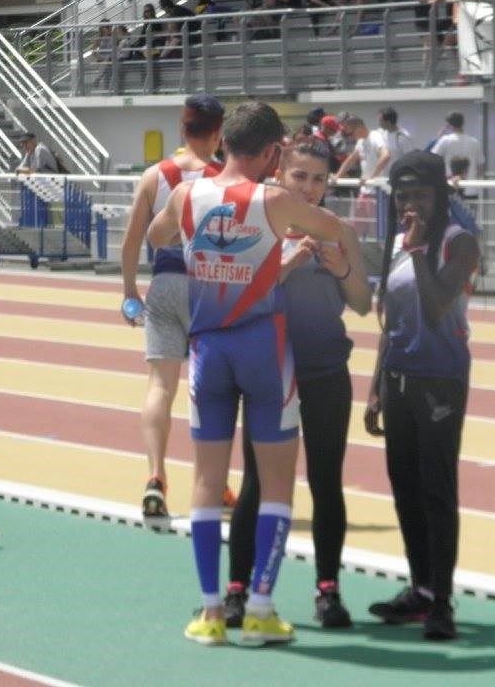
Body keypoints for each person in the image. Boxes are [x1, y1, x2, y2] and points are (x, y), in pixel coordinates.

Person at [147, 101, 343, 647]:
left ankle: (211, 612)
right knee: (277, 481)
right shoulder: (275, 201)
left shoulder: (187, 194)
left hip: (208, 351)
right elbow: (334, 229)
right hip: (264, 349)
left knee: (206, 482)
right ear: (271, 152)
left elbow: (158, 236)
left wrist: (198, 235)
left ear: (224, 143)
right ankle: (259, 608)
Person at [226, 139, 372, 630]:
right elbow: (239, 299)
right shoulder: (259, 227)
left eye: (318, 179)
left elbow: (362, 303)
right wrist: (287, 264)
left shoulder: (339, 230)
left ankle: (327, 589)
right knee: (258, 482)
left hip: (327, 371)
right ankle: (238, 589)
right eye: (300, 177)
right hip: (270, 374)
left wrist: (342, 268)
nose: (309, 188)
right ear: (280, 176)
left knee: (326, 481)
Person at [364, 150, 480, 641]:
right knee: (405, 488)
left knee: (437, 489)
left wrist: (415, 251)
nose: (411, 205)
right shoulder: (396, 243)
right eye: (403, 196)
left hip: (440, 380)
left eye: (422, 196)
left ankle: (443, 603)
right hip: (399, 379)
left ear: (441, 196)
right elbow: (391, 321)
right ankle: (421, 588)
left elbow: (435, 308)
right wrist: (375, 388)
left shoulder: (460, 242)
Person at [120, 96, 226, 519]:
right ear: (218, 134)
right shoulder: (224, 178)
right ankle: (214, 483)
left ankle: (155, 477)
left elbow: (132, 241)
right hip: (208, 288)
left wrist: (130, 292)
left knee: (160, 386)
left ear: (182, 129)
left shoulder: (154, 176)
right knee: (210, 390)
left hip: (164, 283)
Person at [332, 115, 390, 236]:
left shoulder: (375, 137)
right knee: (356, 227)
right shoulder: (360, 141)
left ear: (359, 127)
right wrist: (337, 176)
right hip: (365, 191)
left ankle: (379, 247)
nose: (350, 137)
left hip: (376, 192)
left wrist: (372, 178)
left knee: (376, 230)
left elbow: (386, 156)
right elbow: (350, 160)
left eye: (350, 133)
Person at [430, 112, 485, 200]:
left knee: (453, 208)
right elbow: (481, 166)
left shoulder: (445, 140)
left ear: (449, 125)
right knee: (470, 209)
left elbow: (432, 158)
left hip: (451, 187)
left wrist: (438, 136)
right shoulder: (474, 142)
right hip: (471, 189)